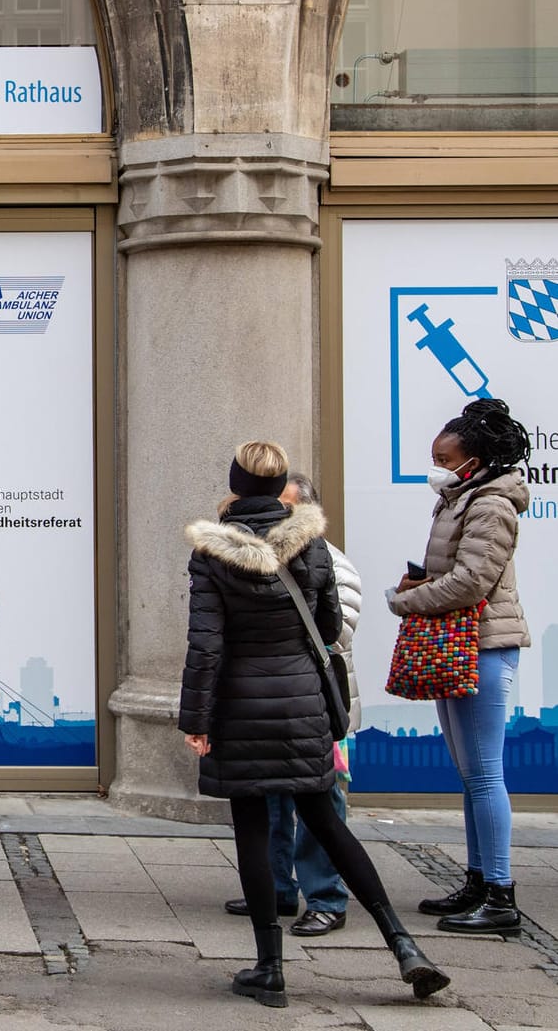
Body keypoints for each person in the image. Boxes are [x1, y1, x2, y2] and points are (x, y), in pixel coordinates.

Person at [180, 441, 447, 1007]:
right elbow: (326, 627)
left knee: (251, 828)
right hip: (302, 703)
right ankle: (403, 946)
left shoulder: (211, 554)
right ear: (281, 489)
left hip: (240, 706)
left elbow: (206, 646)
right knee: (328, 824)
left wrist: (196, 720)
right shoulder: (313, 543)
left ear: (235, 484)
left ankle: (268, 969)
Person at [388, 398, 530, 937]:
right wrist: (420, 581)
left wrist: (404, 601)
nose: (438, 467)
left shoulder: (490, 504)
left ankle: (499, 895)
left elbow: (473, 581)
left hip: (484, 646)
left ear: (476, 459)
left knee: (485, 773)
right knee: (472, 775)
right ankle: (477, 881)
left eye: (446, 458)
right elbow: (456, 571)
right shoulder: (462, 497)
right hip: (466, 642)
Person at [221, 472, 362, 937]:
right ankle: (279, 888)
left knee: (323, 805)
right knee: (273, 800)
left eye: (282, 505)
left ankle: (326, 899)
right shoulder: (251, 558)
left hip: (312, 706)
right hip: (276, 701)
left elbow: (336, 631)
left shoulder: (327, 559)